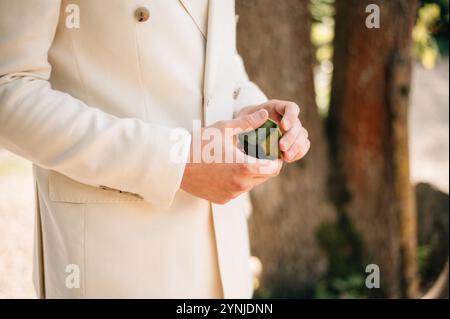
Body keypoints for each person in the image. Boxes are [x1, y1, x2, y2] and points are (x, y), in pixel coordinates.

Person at [0, 0, 310, 298]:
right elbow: (9, 90)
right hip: (115, 260)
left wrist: (250, 107)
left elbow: (216, 52)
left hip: (225, 260)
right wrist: (176, 162)